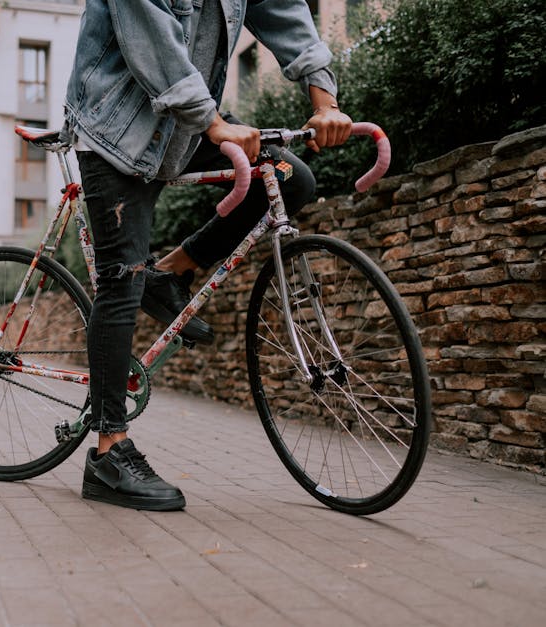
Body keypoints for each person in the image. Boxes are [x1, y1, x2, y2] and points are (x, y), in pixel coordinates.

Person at [62, 0, 353, 511]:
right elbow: (151, 38)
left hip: (187, 121)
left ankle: (171, 271)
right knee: (120, 278)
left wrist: (325, 100)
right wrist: (215, 123)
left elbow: (282, 10)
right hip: (118, 128)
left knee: (291, 179)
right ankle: (108, 451)